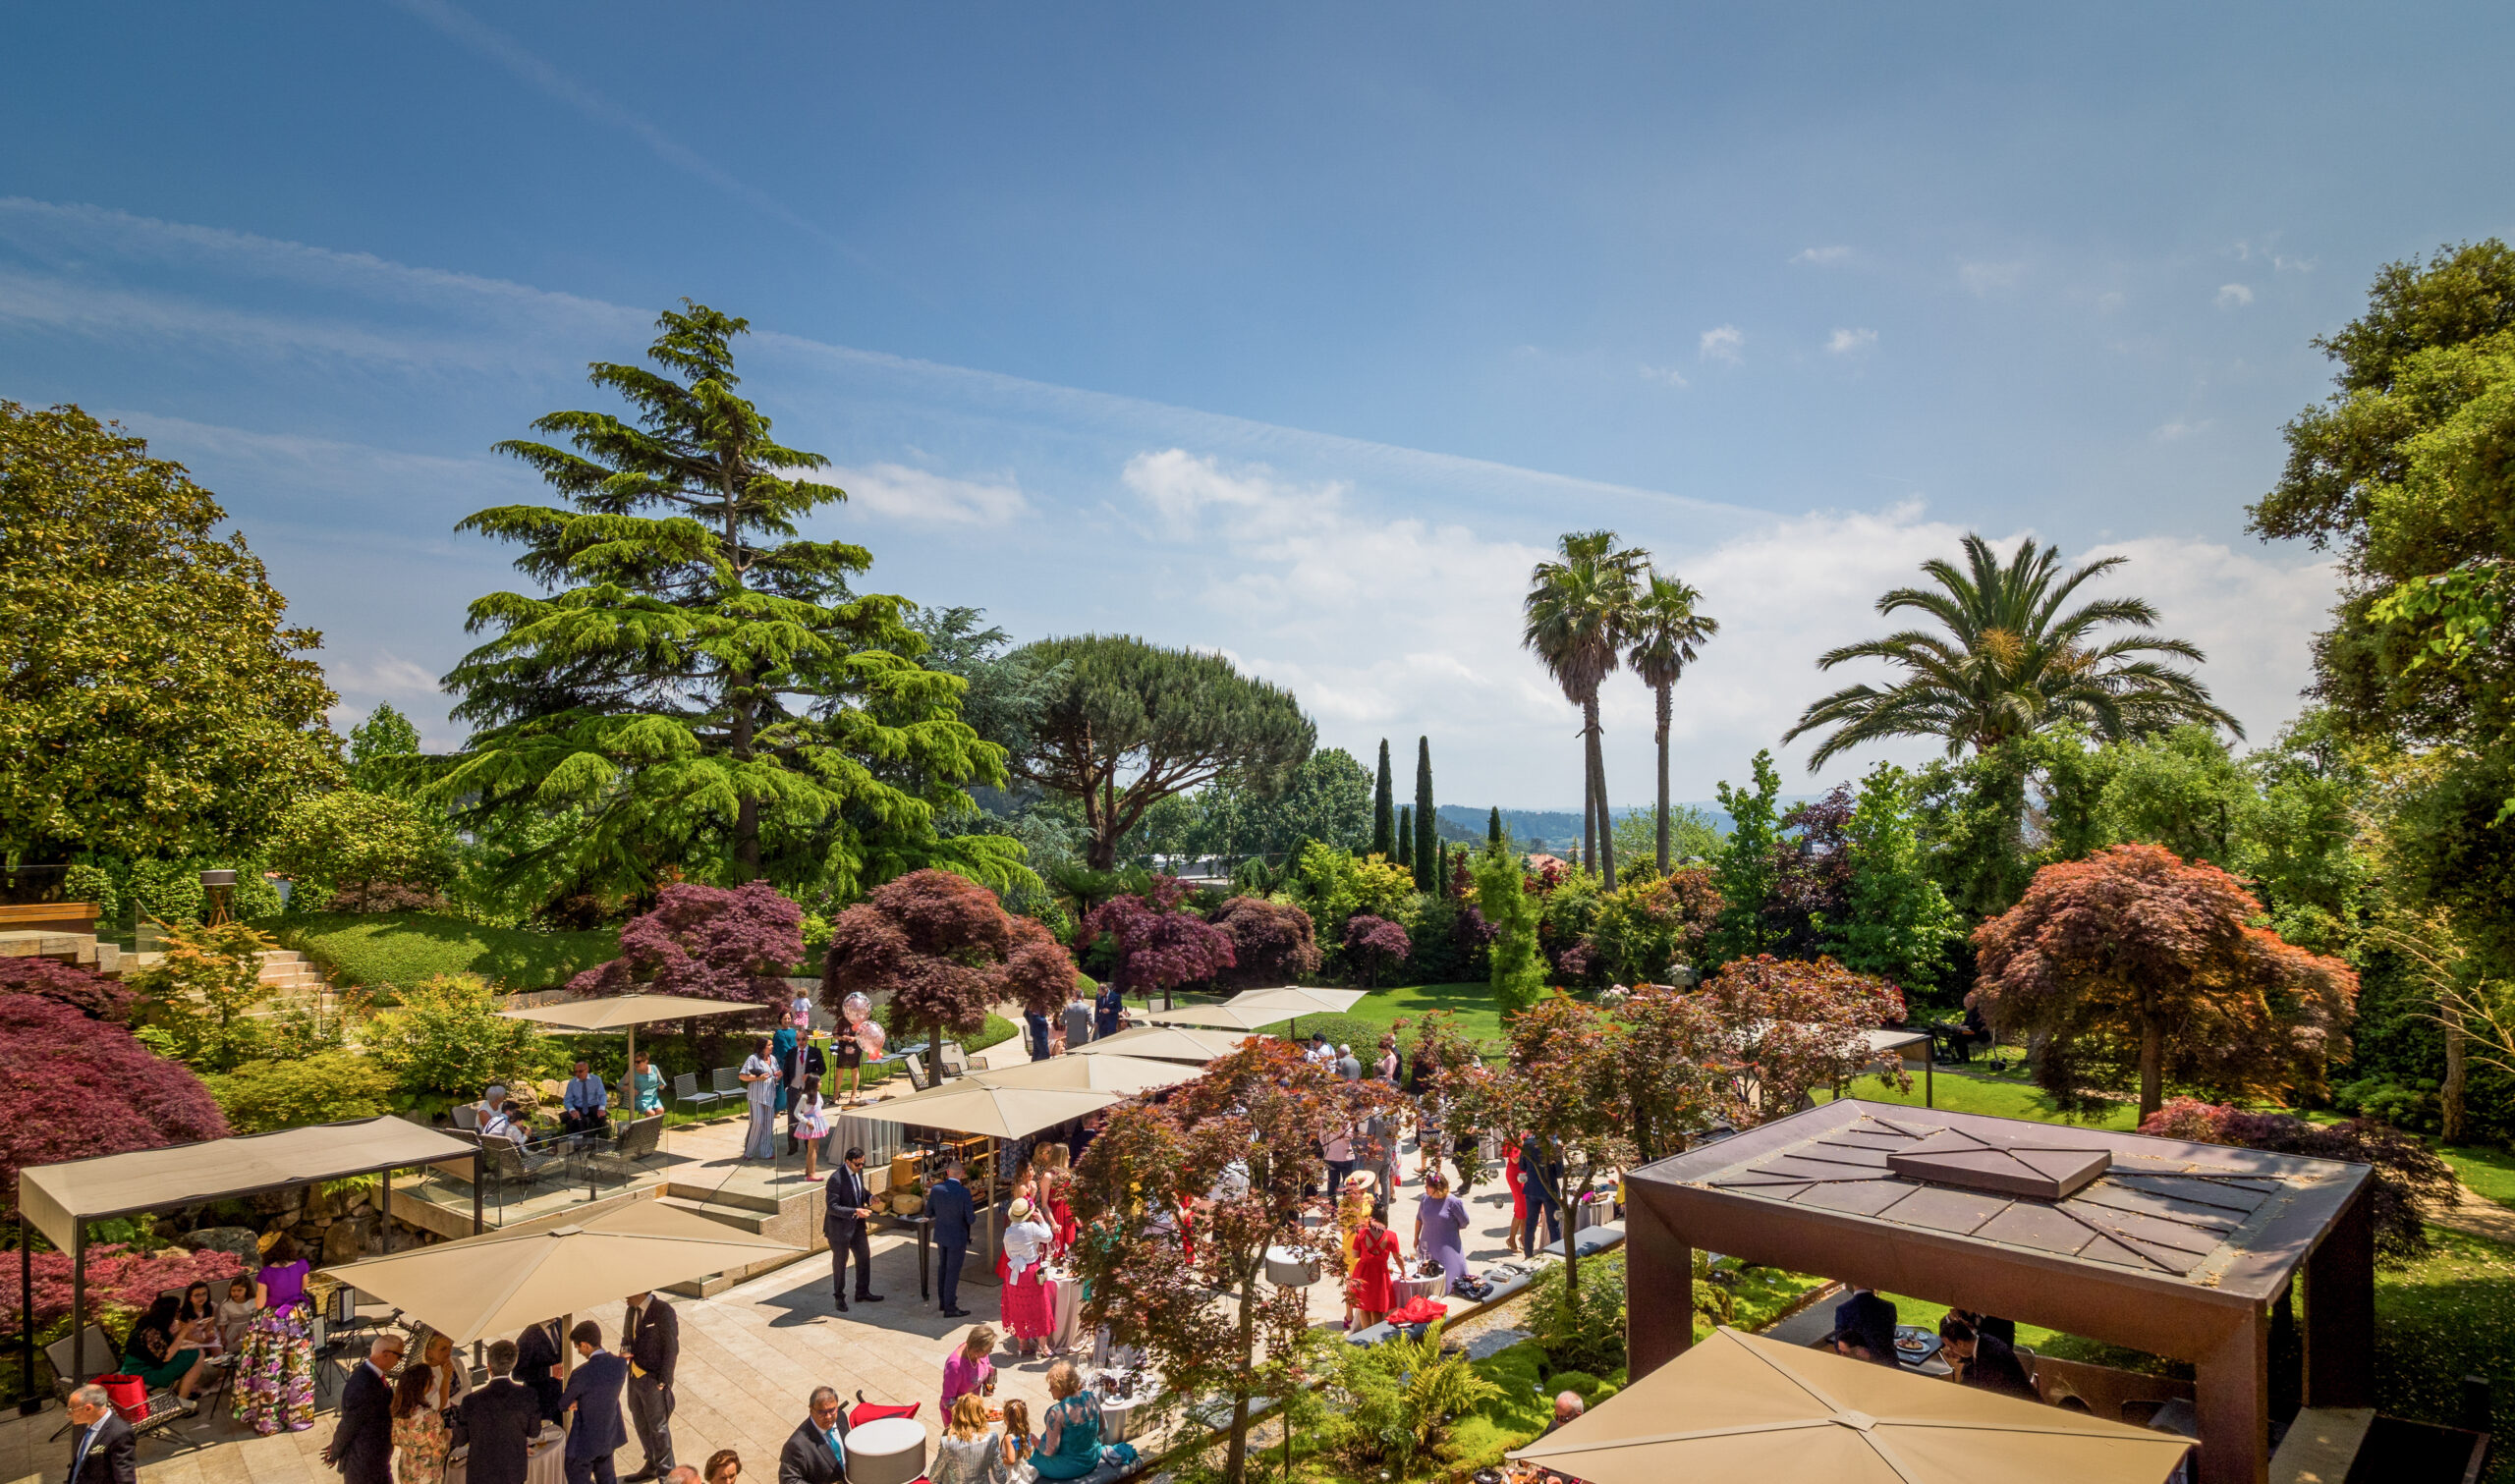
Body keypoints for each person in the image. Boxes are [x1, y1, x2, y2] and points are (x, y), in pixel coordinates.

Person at [239, 1232, 320, 1433]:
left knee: (271, 1369)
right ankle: (298, 1418)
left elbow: (260, 1303)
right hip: (298, 1320)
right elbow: (303, 1289)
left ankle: (270, 1421)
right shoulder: (302, 1265)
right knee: (299, 1367)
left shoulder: (265, 1274)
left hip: (273, 1324)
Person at [451, 1340, 542, 1484]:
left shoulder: (471, 1401)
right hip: (513, 1472)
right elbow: (534, 1432)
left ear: (488, 1367)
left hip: (480, 1474)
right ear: (513, 1364)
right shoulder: (528, 1396)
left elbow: (459, 1440)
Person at [324, 1333, 406, 1484]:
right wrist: (335, 1452)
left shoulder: (373, 1376)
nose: (400, 1361)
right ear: (386, 1354)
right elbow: (348, 1425)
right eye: (399, 1356)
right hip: (365, 1463)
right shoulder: (363, 1385)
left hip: (377, 1459)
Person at [558, 1320, 630, 1484]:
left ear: (585, 1345)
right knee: (607, 1476)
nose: (578, 1351)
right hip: (609, 1434)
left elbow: (563, 1404)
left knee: (576, 1475)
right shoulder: (619, 1365)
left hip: (585, 1440)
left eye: (577, 1347)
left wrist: (577, 1400)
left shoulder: (581, 1373)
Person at [623, 1292, 679, 1482]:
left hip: (653, 1380)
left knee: (658, 1429)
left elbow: (671, 1347)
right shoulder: (631, 1311)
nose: (625, 1296)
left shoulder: (663, 1311)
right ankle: (652, 1464)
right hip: (634, 1377)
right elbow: (627, 1338)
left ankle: (668, 1475)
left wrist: (664, 1381)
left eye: (629, 1291)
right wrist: (624, 1352)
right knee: (640, 1423)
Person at [120, 1293, 210, 1405]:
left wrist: (186, 1331)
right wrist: (184, 1331)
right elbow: (166, 1356)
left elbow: (170, 1344)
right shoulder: (150, 1332)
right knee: (197, 1355)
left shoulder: (155, 1323)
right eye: (177, 1309)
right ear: (169, 1313)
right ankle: (182, 1402)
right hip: (142, 1371)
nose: (179, 1312)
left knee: (196, 1353)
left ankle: (180, 1392)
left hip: (151, 1364)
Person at [824, 1146, 882, 1310]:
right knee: (840, 1263)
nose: (861, 1167)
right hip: (839, 1229)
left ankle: (862, 1292)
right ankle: (839, 1297)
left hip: (857, 1225)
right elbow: (832, 1207)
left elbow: (859, 1191)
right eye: (857, 1164)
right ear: (847, 1162)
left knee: (864, 1256)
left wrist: (870, 1197)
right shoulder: (836, 1179)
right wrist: (855, 1211)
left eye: (863, 1163)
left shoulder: (859, 1172)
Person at [1001, 1197, 1057, 1358]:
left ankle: (1022, 1344)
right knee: (1039, 1307)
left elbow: (1008, 1251)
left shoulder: (1009, 1231)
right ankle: (1043, 1346)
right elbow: (1048, 1237)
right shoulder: (1031, 1227)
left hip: (1014, 1272)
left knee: (1017, 1307)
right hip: (1030, 1271)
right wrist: (1042, 1221)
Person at [1031, 1360, 1104, 1481]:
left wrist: (1035, 1441)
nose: (1049, 1390)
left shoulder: (1057, 1411)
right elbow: (1103, 1429)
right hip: (1092, 1458)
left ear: (1062, 1389)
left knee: (1031, 1459)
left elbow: (1050, 1451)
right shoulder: (1091, 1397)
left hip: (1069, 1468)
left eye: (1052, 1386)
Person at [1939, 1315, 2037, 1400]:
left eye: (1951, 1347)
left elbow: (1985, 1394)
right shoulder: (1982, 1341)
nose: (1950, 1350)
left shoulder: (1991, 1359)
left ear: (1960, 1343)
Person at [928, 1158, 978, 1318]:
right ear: (962, 1174)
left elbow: (928, 1212)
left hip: (942, 1234)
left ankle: (943, 1302)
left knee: (943, 1268)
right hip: (957, 1236)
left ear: (947, 1172)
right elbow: (970, 1219)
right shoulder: (964, 1193)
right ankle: (950, 1306)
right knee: (952, 1272)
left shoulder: (936, 1189)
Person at [391, 1363, 453, 1484]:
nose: (434, 1377)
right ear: (423, 1384)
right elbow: (441, 1448)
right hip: (427, 1473)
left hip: (407, 1469)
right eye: (430, 1377)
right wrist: (447, 1433)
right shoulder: (428, 1416)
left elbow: (395, 1439)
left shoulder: (397, 1410)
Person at [775, 1386, 850, 1484]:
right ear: (811, 1410)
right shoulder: (796, 1445)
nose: (828, 1417)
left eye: (832, 1410)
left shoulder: (841, 1417)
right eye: (822, 1412)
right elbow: (789, 1480)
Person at [65, 1383, 137, 1484]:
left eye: (71, 1410)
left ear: (88, 1409)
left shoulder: (120, 1433)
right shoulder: (88, 1424)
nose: (68, 1415)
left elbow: (124, 1479)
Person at [1414, 1172, 1473, 1294]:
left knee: (1450, 1281)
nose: (1425, 1188)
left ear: (1437, 1187)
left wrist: (1447, 1229)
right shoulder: (1425, 1199)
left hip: (1448, 1246)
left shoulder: (1453, 1202)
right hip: (1427, 1245)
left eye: (1427, 1186)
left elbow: (1464, 1222)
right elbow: (1419, 1219)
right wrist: (1416, 1238)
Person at [933, 1394, 1009, 1484]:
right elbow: (1001, 1477)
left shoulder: (947, 1439)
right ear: (980, 1414)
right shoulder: (991, 1438)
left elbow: (935, 1475)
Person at [1346, 1201, 1399, 1329]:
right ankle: (1375, 1336)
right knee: (1376, 1308)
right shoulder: (1391, 1236)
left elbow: (1354, 1255)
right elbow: (1398, 1257)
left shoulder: (1361, 1234)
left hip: (1364, 1272)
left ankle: (1366, 1337)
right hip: (1380, 1274)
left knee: (1364, 1307)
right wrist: (1403, 1272)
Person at [940, 1326, 997, 1428]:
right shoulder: (955, 1366)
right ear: (977, 1350)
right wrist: (971, 1414)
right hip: (958, 1416)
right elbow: (947, 1401)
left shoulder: (980, 1353)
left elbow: (987, 1367)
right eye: (988, 1350)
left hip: (973, 1409)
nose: (990, 1351)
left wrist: (989, 1387)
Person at [1831, 1287, 1899, 1366]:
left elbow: (1839, 1345)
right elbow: (1889, 1337)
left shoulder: (1843, 1310)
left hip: (1858, 1366)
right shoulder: (1889, 1307)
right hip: (1888, 1364)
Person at [781, 1030, 825, 1152]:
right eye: (798, 1039)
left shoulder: (815, 1052)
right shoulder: (791, 1053)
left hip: (808, 1090)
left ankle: (808, 1145)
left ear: (807, 1039)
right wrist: (787, 1087)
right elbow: (786, 1070)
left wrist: (810, 1075)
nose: (801, 1042)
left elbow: (823, 1069)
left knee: (808, 1117)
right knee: (792, 1118)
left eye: (803, 1039)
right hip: (794, 1089)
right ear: (796, 1040)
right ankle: (792, 1147)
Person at [1518, 1135, 1563, 1255]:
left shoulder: (1527, 1144)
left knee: (1530, 1224)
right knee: (1554, 1225)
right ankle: (1556, 1255)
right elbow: (1559, 1173)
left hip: (1532, 1188)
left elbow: (1522, 1166)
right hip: (1549, 1189)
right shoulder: (1555, 1146)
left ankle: (1528, 1254)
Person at [514, 1319, 566, 1422]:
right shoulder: (527, 1337)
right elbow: (517, 1374)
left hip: (560, 1393)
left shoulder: (561, 1323)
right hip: (540, 1400)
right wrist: (549, 1371)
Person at [737, 1037, 779, 1160]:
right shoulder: (753, 1059)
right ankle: (748, 1152)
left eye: (772, 1045)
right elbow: (742, 1076)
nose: (772, 1047)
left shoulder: (773, 1059)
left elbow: (775, 1075)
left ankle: (766, 1152)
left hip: (770, 1096)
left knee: (768, 1124)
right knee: (757, 1123)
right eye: (769, 1045)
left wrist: (778, 1075)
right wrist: (757, 1078)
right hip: (756, 1096)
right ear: (762, 1046)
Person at [416, 1330, 472, 1414]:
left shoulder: (456, 1362)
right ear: (429, 1352)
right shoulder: (425, 1373)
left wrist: (451, 1402)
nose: (448, 1352)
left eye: (450, 1347)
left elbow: (467, 1387)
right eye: (443, 1349)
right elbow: (435, 1403)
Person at [790, 1074, 831, 1181]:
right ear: (814, 1083)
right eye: (819, 1081)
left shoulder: (817, 1094)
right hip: (811, 1123)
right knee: (812, 1148)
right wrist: (806, 1121)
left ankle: (808, 1170)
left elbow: (819, 1107)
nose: (821, 1083)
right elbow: (796, 1113)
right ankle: (811, 1174)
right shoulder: (805, 1097)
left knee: (814, 1148)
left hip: (818, 1122)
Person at [562, 1061, 610, 1137]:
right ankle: (582, 1142)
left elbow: (602, 1095)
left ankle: (599, 1139)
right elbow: (567, 1100)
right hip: (578, 1107)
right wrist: (572, 1110)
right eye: (576, 1071)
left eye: (580, 1071)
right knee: (578, 1120)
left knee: (601, 1117)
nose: (578, 1074)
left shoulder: (596, 1080)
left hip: (593, 1105)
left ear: (587, 1070)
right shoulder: (572, 1083)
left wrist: (601, 1108)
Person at [176, 1281, 223, 1355]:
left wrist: (209, 1335)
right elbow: (186, 1335)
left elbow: (210, 1327)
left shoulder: (212, 1306)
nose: (201, 1298)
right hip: (190, 1337)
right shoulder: (183, 1313)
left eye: (204, 1294)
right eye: (197, 1295)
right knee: (198, 1353)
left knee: (218, 1351)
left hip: (204, 1334)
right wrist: (201, 1341)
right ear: (190, 1298)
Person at [216, 1275, 259, 1354]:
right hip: (234, 1328)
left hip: (250, 1327)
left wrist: (242, 1334)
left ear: (246, 1290)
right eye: (233, 1290)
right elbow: (222, 1323)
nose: (236, 1293)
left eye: (240, 1290)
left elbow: (257, 1318)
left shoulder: (253, 1301)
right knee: (233, 1348)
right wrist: (223, 1337)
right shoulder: (226, 1304)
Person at [1503, 1134, 1531, 1258]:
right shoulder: (1511, 1139)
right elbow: (1515, 1159)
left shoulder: (1524, 1137)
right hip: (1515, 1174)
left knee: (1524, 1208)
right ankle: (1511, 1239)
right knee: (1521, 1208)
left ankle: (1524, 1238)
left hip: (1524, 1173)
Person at [1323, 1123, 1358, 1194]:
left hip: (1331, 1154)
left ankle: (1332, 1203)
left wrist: (1326, 1148)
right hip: (1344, 1155)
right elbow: (1348, 1136)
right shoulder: (1344, 1118)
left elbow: (1321, 1136)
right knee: (1348, 1182)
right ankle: (1346, 1203)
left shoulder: (1326, 1118)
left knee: (1332, 1181)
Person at [628, 1053, 665, 1117]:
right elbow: (624, 1085)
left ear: (646, 1061)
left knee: (661, 1110)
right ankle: (649, 1127)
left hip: (653, 1098)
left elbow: (661, 1083)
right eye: (635, 1062)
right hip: (639, 1099)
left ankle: (656, 1127)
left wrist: (661, 1085)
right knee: (651, 1113)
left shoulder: (654, 1068)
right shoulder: (633, 1071)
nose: (636, 1064)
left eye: (638, 1062)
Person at [1062, 989, 1094, 1054]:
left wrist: (1068, 1023)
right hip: (1082, 1037)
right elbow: (1091, 1023)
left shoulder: (1068, 1007)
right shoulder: (1086, 1007)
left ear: (1075, 996)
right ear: (1082, 997)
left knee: (1070, 1058)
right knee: (1082, 1058)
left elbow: (1061, 1021)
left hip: (1070, 1037)